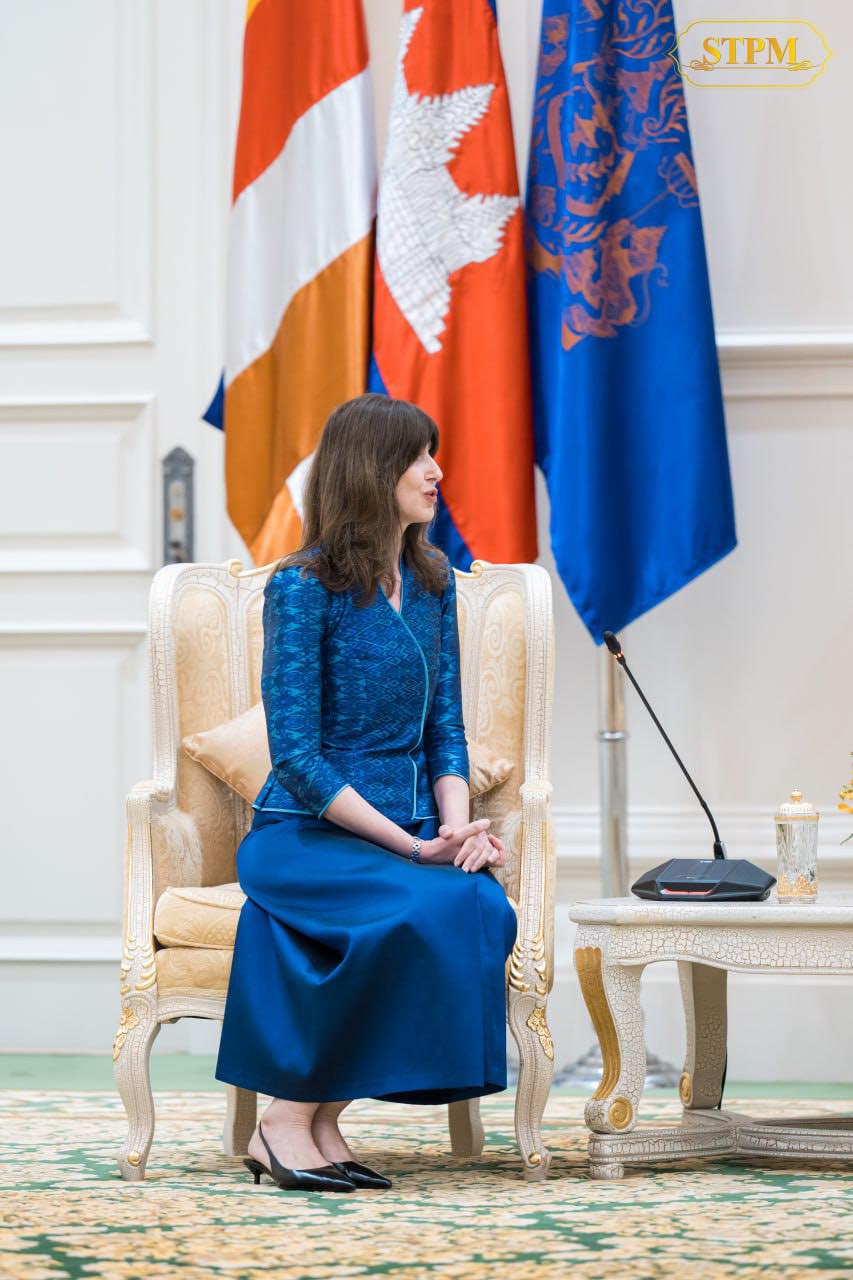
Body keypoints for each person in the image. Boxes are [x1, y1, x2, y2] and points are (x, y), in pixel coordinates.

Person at [215, 393, 519, 1193]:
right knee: (418, 908)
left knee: (481, 905)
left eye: (432, 453)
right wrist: (413, 847)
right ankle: (285, 1120)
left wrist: (456, 829)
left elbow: (444, 727)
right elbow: (297, 755)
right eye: (418, 456)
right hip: (305, 836)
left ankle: (320, 1121)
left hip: (412, 827)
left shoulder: (431, 582)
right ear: (371, 470)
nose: (435, 470)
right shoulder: (301, 587)